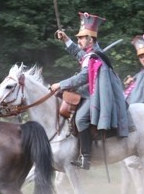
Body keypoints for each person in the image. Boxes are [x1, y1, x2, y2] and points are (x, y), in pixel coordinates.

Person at [50, 12, 129, 170]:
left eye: (81, 38)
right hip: (89, 92)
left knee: (80, 120)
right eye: (78, 38)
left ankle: (86, 156)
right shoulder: (89, 54)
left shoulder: (94, 56)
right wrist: (66, 40)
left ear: (90, 39)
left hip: (96, 95)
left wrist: (61, 84)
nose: (78, 40)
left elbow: (84, 77)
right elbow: (80, 55)